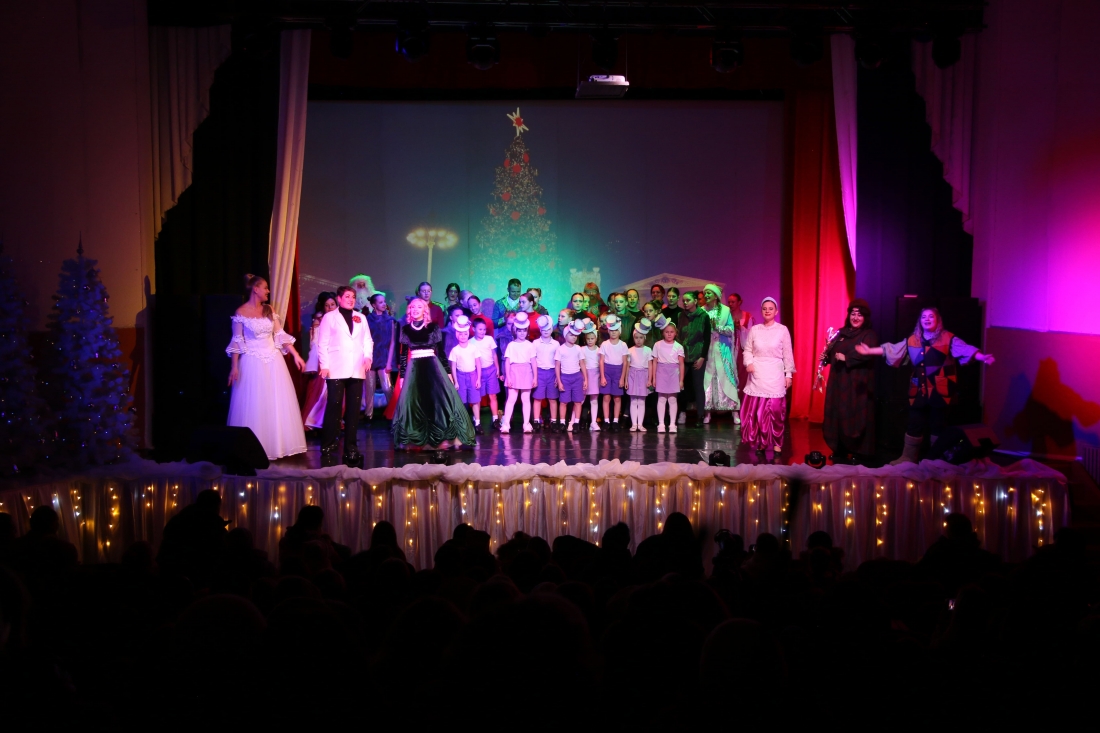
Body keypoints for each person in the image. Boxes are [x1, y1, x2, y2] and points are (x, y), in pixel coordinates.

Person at [855, 306, 995, 464]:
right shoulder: (912, 340)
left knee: (938, 425)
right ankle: (908, 458)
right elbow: (893, 349)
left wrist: (982, 356)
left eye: (931, 316)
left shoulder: (947, 338)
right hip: (918, 389)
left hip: (941, 389)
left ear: (938, 320)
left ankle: (937, 458)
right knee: (914, 423)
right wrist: (869, 351)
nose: (927, 319)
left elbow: (965, 350)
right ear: (920, 321)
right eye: (924, 317)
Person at [226, 274, 307, 460]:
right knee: (255, 403)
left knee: (275, 402)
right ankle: (255, 447)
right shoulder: (241, 312)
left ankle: (277, 445)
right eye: (265, 288)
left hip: (273, 360)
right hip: (252, 361)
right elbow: (237, 340)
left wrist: (295, 355)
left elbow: (279, 334)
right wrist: (234, 366)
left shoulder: (269, 309)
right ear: (255, 289)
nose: (268, 291)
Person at [391, 298, 475, 450]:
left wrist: (448, 372)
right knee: (415, 402)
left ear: (425, 310)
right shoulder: (405, 330)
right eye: (413, 307)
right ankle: (416, 438)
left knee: (437, 401)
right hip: (414, 369)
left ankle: (441, 436)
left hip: (432, 366)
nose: (415, 309)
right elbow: (403, 355)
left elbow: (441, 352)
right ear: (409, 310)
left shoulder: (433, 328)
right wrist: (402, 376)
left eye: (419, 307)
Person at [316, 285, 374, 466]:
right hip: (336, 367)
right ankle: (328, 444)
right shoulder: (329, 317)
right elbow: (322, 342)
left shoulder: (361, 317)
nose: (351, 299)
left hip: (356, 367)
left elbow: (367, 340)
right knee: (334, 405)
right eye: (347, 296)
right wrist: (324, 365)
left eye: (353, 297)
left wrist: (368, 357)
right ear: (339, 299)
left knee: (354, 408)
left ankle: (351, 446)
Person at [822, 299, 878, 464]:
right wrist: (826, 357)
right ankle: (840, 449)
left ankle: (857, 451)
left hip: (856, 384)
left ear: (865, 317)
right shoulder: (841, 333)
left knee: (855, 416)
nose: (855, 317)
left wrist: (847, 358)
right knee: (838, 413)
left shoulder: (868, 334)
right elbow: (833, 352)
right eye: (853, 314)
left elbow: (867, 354)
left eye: (859, 314)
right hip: (839, 383)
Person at [741, 297, 795, 462]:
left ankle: (777, 443)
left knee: (776, 412)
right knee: (759, 413)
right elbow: (747, 349)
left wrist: (788, 374)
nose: (767, 311)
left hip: (775, 374)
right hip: (757, 374)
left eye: (771, 308)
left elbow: (787, 353)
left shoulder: (782, 330)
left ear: (776, 311)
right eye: (764, 308)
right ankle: (762, 443)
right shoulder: (755, 329)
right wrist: (749, 362)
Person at [701, 284, 741, 425]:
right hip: (708, 351)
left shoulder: (725, 310)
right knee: (708, 380)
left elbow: (731, 330)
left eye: (709, 293)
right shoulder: (702, 311)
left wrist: (718, 328)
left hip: (722, 350)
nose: (706, 295)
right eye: (705, 293)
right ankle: (707, 413)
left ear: (716, 295)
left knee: (727, 377)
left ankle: (734, 411)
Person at [677, 290, 711, 426]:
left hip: (697, 356)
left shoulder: (703, 316)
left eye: (688, 300)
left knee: (698, 385)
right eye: (684, 301)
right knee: (681, 385)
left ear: (695, 301)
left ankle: (700, 415)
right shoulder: (681, 315)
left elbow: (707, 339)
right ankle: (681, 412)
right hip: (683, 355)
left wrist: (702, 357)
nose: (685, 303)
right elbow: (678, 335)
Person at [501, 312, 537, 434]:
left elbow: (533, 362)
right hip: (514, 372)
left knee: (526, 399)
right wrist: (508, 377)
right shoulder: (511, 345)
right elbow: (507, 362)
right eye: (519, 330)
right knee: (511, 399)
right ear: (515, 331)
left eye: (524, 331)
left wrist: (535, 377)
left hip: (527, 371)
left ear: (527, 331)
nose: (522, 333)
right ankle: (506, 424)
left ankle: (526, 424)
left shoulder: (530, 345)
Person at [448, 316, 484, 435]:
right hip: (460, 376)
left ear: (468, 333)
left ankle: (477, 423)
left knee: (475, 400)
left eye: (465, 334)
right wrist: (456, 381)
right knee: (462, 401)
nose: (463, 336)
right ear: (457, 334)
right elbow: (453, 367)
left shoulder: (473, 348)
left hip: (472, 375)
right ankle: (462, 424)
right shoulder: (455, 350)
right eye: (460, 334)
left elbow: (478, 364)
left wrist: (478, 379)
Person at [364, 292, 396, 421]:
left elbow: (392, 342)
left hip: (384, 357)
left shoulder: (390, 320)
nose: (384, 304)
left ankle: (393, 414)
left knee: (387, 387)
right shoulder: (367, 320)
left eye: (384, 301)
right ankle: (368, 414)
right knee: (369, 387)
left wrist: (389, 362)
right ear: (373, 305)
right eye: (380, 302)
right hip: (371, 357)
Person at [653, 321, 686, 432]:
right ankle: (661, 424)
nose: (669, 334)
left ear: (675, 333)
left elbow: (681, 364)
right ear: (663, 333)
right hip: (661, 372)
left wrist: (681, 380)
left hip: (673, 374)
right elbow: (654, 362)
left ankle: (672, 424)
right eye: (667, 332)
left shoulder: (678, 346)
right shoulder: (657, 345)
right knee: (661, 398)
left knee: (672, 399)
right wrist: (653, 378)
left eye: (671, 332)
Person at [555, 319, 587, 432]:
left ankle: (576, 423)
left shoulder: (578, 348)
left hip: (577, 377)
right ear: (565, 335)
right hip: (565, 378)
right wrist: (559, 381)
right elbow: (557, 366)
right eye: (571, 335)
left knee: (578, 401)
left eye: (575, 335)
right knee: (563, 401)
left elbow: (582, 364)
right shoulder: (560, 349)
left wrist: (585, 379)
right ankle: (562, 423)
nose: (574, 337)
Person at [531, 314, 562, 431]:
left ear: (552, 329)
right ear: (540, 329)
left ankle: (553, 421)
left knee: (552, 398)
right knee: (537, 398)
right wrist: (534, 376)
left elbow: (558, 361)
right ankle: (536, 420)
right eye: (543, 329)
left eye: (548, 329)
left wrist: (557, 377)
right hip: (539, 372)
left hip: (552, 372)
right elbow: (533, 360)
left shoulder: (556, 344)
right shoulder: (535, 343)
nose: (546, 331)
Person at [598, 314, 629, 430]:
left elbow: (625, 362)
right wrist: (602, 376)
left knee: (617, 398)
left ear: (619, 331)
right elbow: (601, 361)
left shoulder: (623, 345)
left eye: (616, 330)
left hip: (618, 372)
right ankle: (606, 420)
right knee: (606, 397)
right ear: (608, 331)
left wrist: (622, 378)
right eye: (611, 330)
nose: (613, 332)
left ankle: (615, 420)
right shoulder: (605, 344)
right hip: (607, 371)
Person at [625, 320, 655, 432]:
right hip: (632, 375)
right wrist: (626, 380)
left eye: (641, 338)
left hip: (643, 375)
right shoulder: (630, 350)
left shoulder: (648, 350)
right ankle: (634, 424)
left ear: (644, 338)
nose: (638, 340)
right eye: (636, 337)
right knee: (633, 400)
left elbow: (650, 366)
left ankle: (640, 424)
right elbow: (627, 366)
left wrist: (650, 379)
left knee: (642, 401)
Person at [728, 292, 755, 411]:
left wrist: (740, 328)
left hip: (742, 350)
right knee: (729, 376)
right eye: (729, 302)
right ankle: (730, 405)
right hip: (728, 349)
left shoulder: (747, 316)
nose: (730, 304)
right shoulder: (726, 316)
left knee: (742, 377)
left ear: (739, 302)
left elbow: (752, 334)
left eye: (733, 302)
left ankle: (743, 405)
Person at [473, 319, 501, 429]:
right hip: (478, 372)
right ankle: (477, 420)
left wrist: (497, 368)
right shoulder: (471, 342)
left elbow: (494, 354)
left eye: (484, 329)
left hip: (491, 370)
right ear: (474, 329)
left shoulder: (489, 339)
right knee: (478, 397)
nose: (482, 331)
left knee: (493, 395)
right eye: (480, 329)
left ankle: (495, 419)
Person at [301, 311, 327, 430]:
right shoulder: (317, 324)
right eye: (327, 305)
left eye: (332, 304)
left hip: (335, 361)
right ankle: (312, 421)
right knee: (318, 391)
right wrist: (312, 365)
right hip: (321, 362)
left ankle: (329, 423)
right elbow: (315, 345)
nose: (330, 307)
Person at [580, 320, 602, 430]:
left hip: (595, 375)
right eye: (588, 339)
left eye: (592, 338)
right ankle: (574, 420)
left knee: (594, 400)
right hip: (585, 375)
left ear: (596, 338)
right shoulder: (582, 349)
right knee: (580, 399)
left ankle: (593, 422)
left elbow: (601, 364)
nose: (590, 341)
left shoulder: (599, 350)